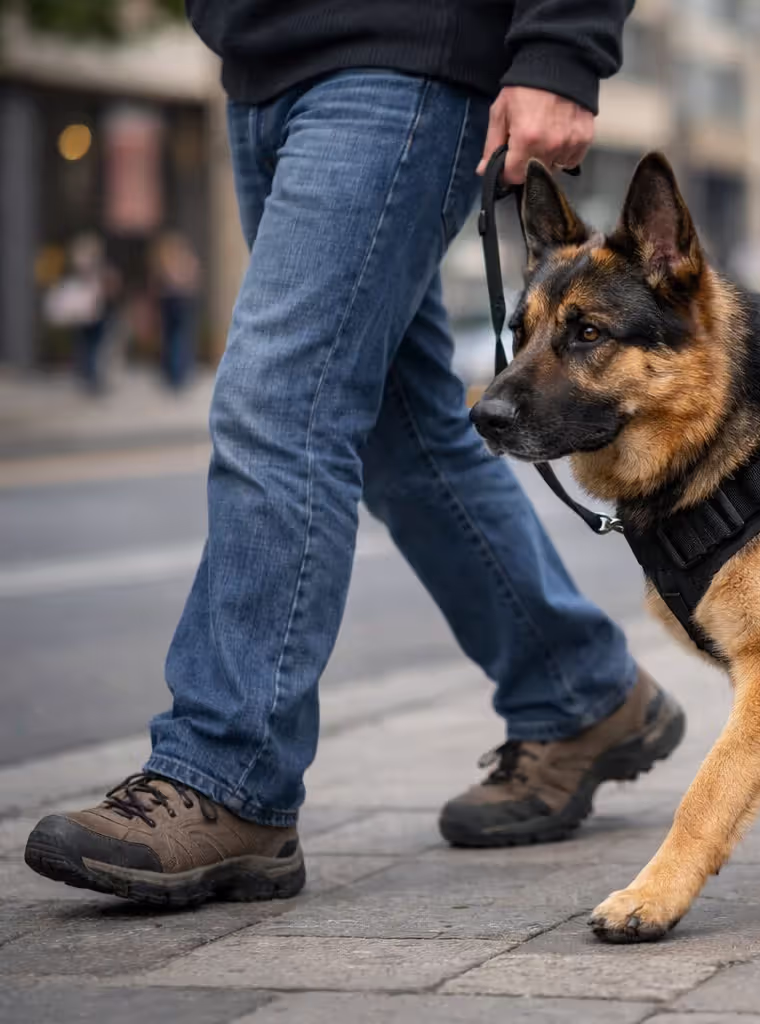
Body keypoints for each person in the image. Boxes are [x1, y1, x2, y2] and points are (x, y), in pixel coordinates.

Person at [24, 0, 685, 907]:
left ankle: (227, 773)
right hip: (261, 64)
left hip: (399, 52)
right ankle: (579, 691)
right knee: (400, 425)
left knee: (280, 401)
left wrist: (562, 47)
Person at [44, 234, 116, 395]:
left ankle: (89, 376)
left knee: (90, 346)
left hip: (93, 312)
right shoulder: (91, 266)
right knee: (91, 346)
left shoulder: (89, 265)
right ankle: (89, 377)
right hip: (89, 312)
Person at [151, 231, 202, 391]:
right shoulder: (181, 259)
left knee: (173, 337)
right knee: (179, 337)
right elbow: (194, 277)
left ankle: (175, 374)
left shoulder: (165, 258)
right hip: (179, 300)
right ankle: (178, 374)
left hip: (171, 300)